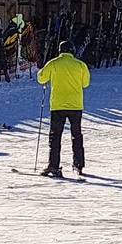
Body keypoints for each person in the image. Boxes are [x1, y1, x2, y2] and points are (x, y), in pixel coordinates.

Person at [37, 42, 92, 178]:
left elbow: (41, 78)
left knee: (55, 136)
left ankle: (53, 165)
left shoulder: (53, 63)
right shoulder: (80, 65)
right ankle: (79, 164)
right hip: (75, 105)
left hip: (58, 105)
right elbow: (85, 83)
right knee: (76, 135)